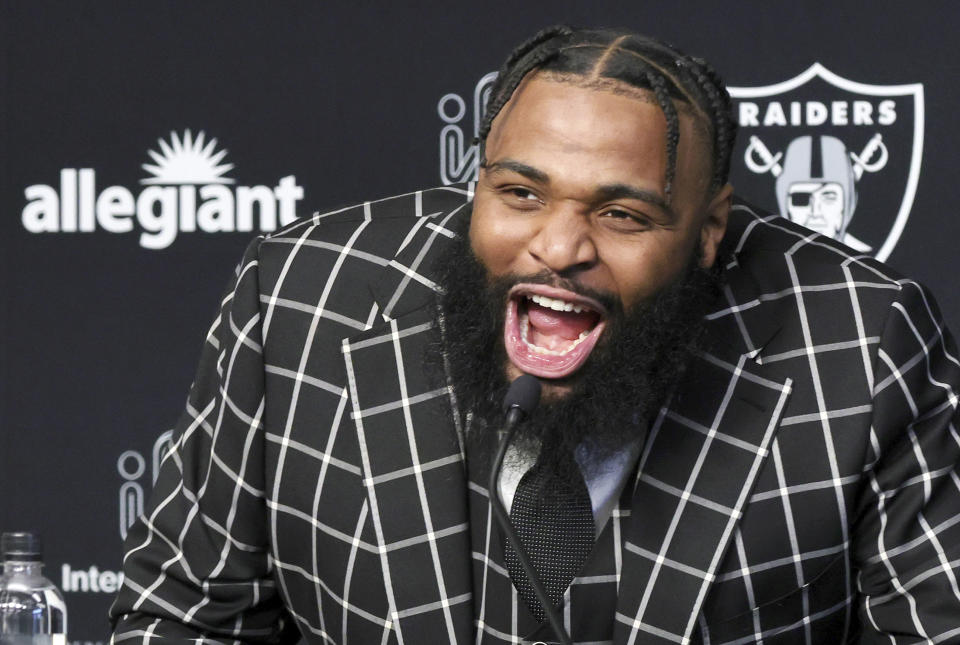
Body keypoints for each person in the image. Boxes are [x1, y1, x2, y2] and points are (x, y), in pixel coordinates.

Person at [110, 26, 960, 644]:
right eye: (521, 194)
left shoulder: (863, 342)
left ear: (709, 230)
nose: (558, 248)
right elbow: (185, 615)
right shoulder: (304, 297)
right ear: (475, 183)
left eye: (622, 213)